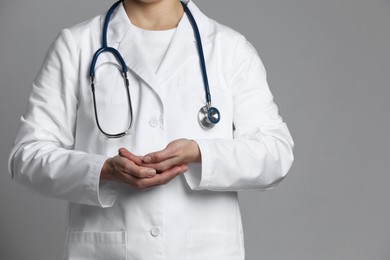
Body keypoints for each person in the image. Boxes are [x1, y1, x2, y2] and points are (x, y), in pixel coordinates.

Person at [8, 0, 294, 259]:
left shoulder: (229, 48)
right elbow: (27, 157)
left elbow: (276, 153)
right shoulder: (76, 45)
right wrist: (103, 170)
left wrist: (200, 153)